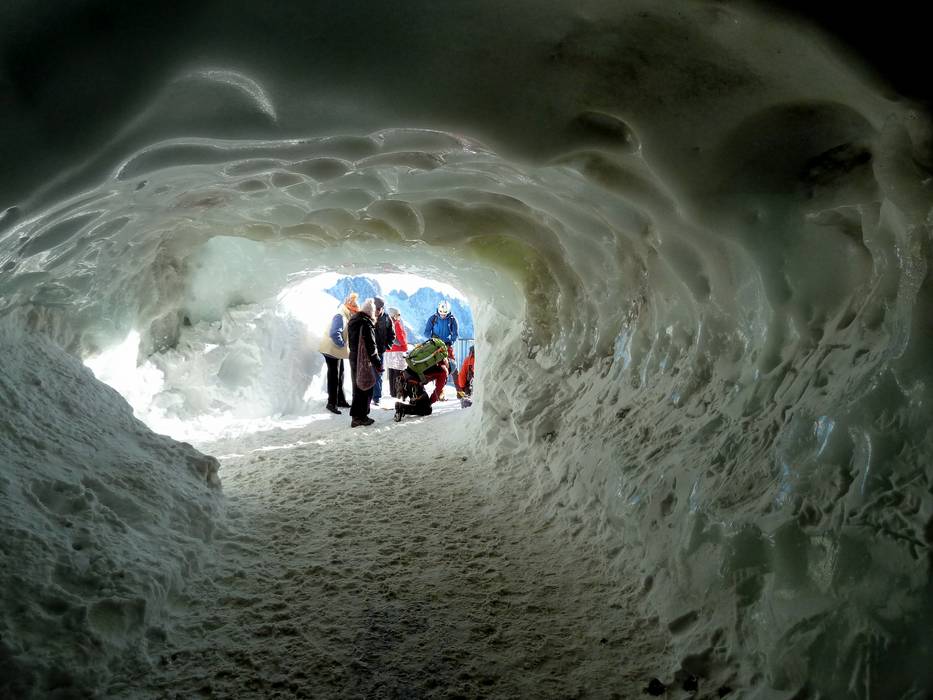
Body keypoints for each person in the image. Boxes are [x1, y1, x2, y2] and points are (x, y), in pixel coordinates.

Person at [318, 292, 358, 414]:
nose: (354, 314)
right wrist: (342, 345)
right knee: (334, 377)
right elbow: (335, 333)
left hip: (336, 351)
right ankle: (331, 403)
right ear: (350, 309)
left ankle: (340, 400)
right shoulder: (340, 316)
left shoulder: (344, 315)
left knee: (340, 374)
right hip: (331, 350)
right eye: (354, 312)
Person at [347, 298, 383, 427]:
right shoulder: (366, 323)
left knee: (357, 387)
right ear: (371, 312)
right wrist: (378, 363)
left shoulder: (353, 320)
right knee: (366, 388)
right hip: (364, 360)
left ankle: (357, 417)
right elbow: (371, 347)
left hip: (354, 357)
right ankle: (360, 417)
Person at [423, 300, 459, 398]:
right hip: (435, 345)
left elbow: (455, 334)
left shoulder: (452, 320)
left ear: (448, 311)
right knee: (437, 367)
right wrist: (433, 338)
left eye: (445, 313)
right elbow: (426, 332)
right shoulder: (433, 318)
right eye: (441, 313)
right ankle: (440, 391)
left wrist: (451, 342)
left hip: (447, 345)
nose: (443, 315)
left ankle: (459, 391)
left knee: (453, 366)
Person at [372, 296, 395, 406]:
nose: (376, 311)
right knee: (367, 373)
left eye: (378, 308)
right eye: (374, 308)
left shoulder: (386, 319)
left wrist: (387, 346)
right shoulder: (368, 316)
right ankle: (367, 396)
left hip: (380, 352)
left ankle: (377, 398)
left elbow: (392, 335)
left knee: (378, 374)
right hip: (368, 351)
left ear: (382, 308)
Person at [383, 307, 408, 398]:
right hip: (398, 352)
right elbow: (401, 338)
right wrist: (405, 345)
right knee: (399, 372)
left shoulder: (385, 323)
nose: (399, 317)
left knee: (391, 372)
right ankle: (399, 393)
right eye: (397, 315)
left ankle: (392, 392)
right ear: (393, 315)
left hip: (388, 351)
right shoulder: (396, 324)